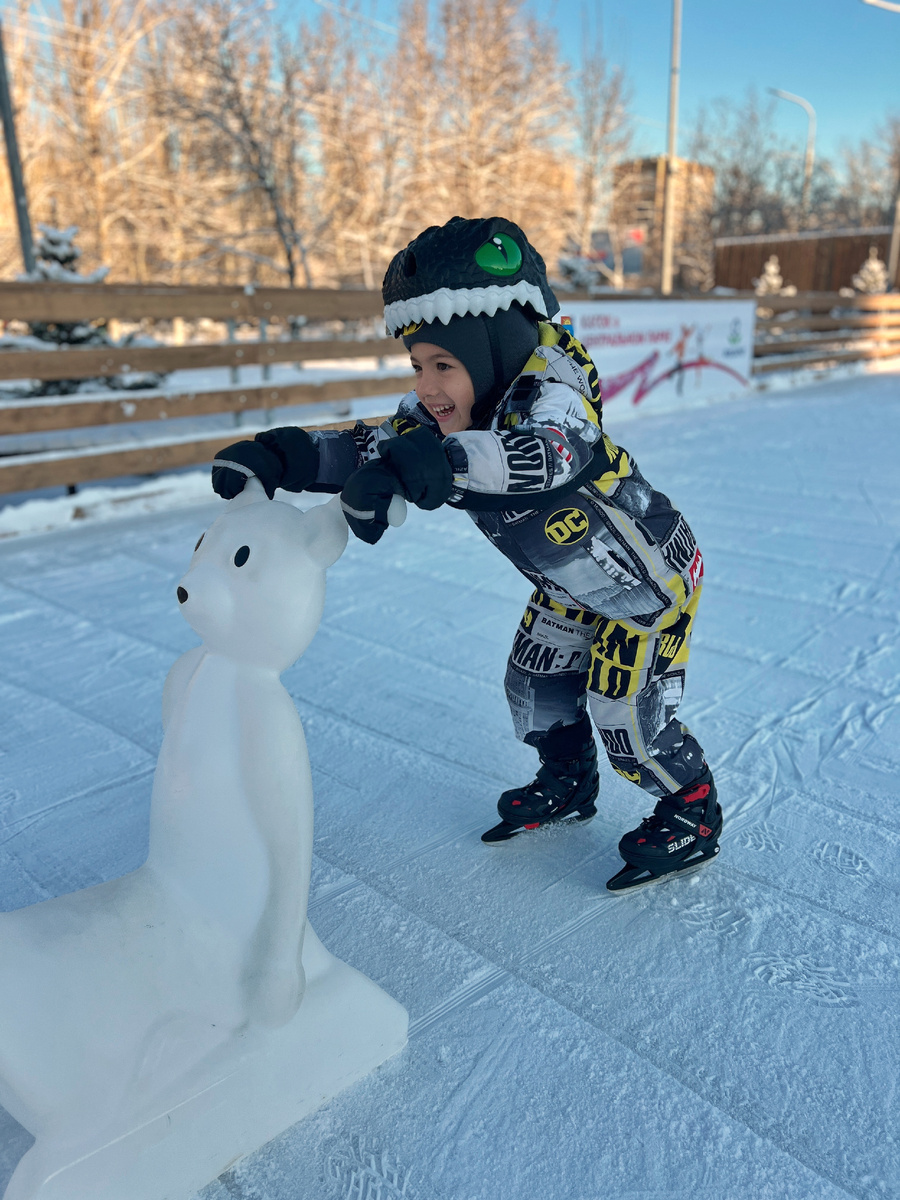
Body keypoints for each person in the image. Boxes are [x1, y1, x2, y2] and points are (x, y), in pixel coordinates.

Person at [211, 215, 722, 893]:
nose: (426, 386)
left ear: (496, 348)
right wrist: (291, 452)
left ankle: (691, 810)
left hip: (645, 584)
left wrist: (433, 464)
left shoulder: (553, 396)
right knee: (532, 688)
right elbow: (379, 445)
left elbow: (546, 457)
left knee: (625, 715)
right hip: (566, 585)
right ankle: (567, 779)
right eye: (418, 365)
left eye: (444, 366)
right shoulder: (448, 411)